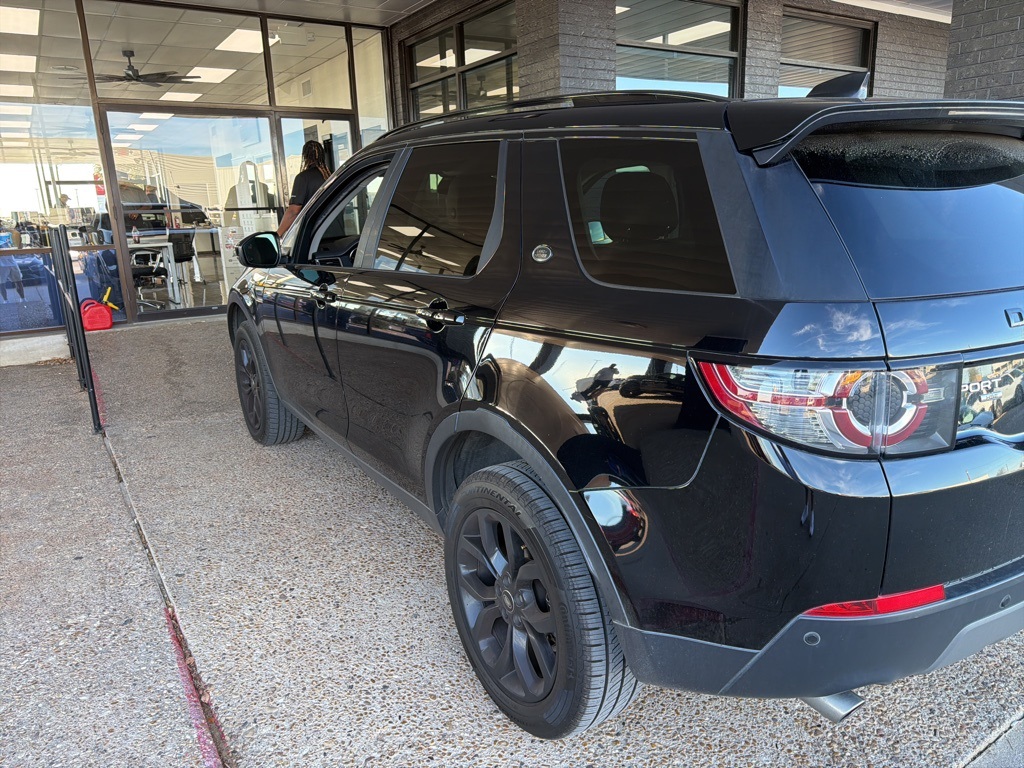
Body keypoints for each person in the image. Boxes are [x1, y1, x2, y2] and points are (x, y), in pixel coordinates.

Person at [277, 140, 331, 236]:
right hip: (335, 231)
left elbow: (294, 211)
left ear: (305, 156)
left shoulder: (303, 177)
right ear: (323, 156)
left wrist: (278, 234)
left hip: (314, 235)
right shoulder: (331, 175)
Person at [0, 224, 26, 302]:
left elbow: (18, 246)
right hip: (1, 263)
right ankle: (6, 300)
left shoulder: (9, 234)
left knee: (18, 281)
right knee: (1, 283)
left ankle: (23, 298)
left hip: (11, 261)